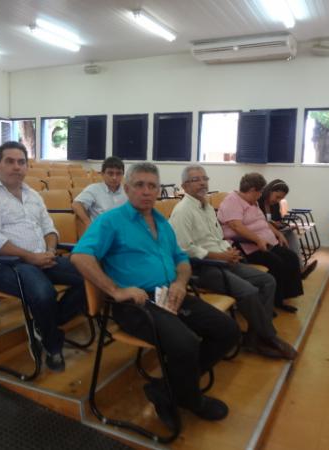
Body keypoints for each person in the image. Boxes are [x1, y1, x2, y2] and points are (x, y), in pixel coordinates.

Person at [71, 163, 240, 429]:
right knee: (185, 343)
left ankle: (166, 389)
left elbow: (182, 260)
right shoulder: (111, 221)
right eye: (139, 185)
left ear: (159, 190)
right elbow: (80, 256)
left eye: (152, 186)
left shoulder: (162, 222)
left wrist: (182, 282)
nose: (146, 191)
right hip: (134, 303)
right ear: (127, 189)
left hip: (169, 294)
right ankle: (190, 399)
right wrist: (116, 290)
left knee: (227, 330)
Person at [0, 141, 86, 372]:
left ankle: (46, 325)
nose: (16, 167)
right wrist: (31, 258)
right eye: (10, 161)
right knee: (43, 293)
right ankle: (53, 346)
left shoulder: (33, 195)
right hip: (5, 266)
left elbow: (50, 229)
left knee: (91, 275)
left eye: (21, 162)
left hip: (42, 258)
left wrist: (50, 252)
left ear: (26, 166)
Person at [169, 166, 296, 359]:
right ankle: (269, 337)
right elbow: (184, 249)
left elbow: (218, 237)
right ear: (184, 186)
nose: (203, 182)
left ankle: (254, 338)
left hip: (223, 260)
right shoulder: (183, 211)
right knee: (249, 291)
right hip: (202, 267)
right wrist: (218, 256)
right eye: (196, 180)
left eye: (205, 178)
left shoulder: (206, 207)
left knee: (267, 280)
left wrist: (229, 251)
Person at [217, 173, 303, 313]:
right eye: (260, 191)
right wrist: (257, 239)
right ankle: (272, 301)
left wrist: (278, 233)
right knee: (276, 262)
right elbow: (236, 226)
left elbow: (263, 221)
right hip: (245, 245)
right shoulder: (231, 201)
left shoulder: (253, 201)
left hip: (264, 241)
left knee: (291, 257)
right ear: (252, 190)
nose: (262, 194)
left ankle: (283, 297)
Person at [258, 179, 318, 279]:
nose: (277, 200)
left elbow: (277, 220)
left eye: (280, 199)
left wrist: (283, 225)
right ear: (269, 191)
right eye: (277, 197)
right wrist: (273, 224)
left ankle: (298, 269)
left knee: (290, 232)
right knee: (289, 237)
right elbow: (259, 220)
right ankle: (299, 270)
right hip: (262, 231)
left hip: (273, 230)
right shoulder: (258, 201)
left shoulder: (275, 205)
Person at [71, 156, 127, 231]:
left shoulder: (128, 191)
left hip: (123, 232)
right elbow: (76, 204)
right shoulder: (94, 189)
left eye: (118, 174)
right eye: (110, 173)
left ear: (123, 175)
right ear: (102, 174)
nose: (114, 177)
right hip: (101, 231)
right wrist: (88, 222)